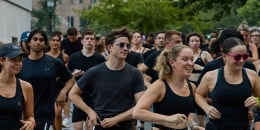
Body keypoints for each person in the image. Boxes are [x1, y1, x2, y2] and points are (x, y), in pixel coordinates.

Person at [69, 26, 146, 130]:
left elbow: (141, 106)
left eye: (127, 45)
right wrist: (90, 112)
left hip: (125, 126)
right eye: (121, 45)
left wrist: (117, 119)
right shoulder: (94, 72)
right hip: (101, 125)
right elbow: (73, 94)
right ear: (109, 47)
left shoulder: (135, 73)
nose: (125, 48)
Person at [133, 44, 204, 130]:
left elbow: (186, 116)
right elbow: (137, 112)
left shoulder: (192, 87)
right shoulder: (160, 85)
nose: (190, 63)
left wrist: (193, 125)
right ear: (172, 62)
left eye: (192, 59)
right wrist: (167, 118)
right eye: (185, 59)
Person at [195, 37, 260, 129]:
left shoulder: (252, 75)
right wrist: (206, 107)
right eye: (237, 57)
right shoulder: (211, 76)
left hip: (241, 126)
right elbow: (198, 94)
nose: (242, 60)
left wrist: (256, 101)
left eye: (245, 56)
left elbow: (259, 99)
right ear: (224, 56)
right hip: (216, 126)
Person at [17, 29, 76, 130]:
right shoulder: (21, 64)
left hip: (44, 114)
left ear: (45, 43)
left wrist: (63, 92)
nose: (38, 42)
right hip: (23, 113)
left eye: (41, 40)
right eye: (35, 39)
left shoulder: (54, 63)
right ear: (29, 43)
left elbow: (71, 79)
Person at [68, 29, 106, 130]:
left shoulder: (100, 59)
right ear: (82, 41)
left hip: (94, 97)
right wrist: (73, 75)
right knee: (77, 128)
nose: (89, 41)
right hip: (79, 96)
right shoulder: (74, 57)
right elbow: (67, 77)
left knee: (90, 126)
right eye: (87, 39)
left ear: (95, 41)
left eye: (92, 39)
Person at [0, 43, 35, 130]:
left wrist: (30, 123)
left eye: (20, 60)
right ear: (1, 61)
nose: (18, 63)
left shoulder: (26, 87)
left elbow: (30, 116)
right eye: (13, 60)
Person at [45, 32, 70, 130]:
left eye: (57, 40)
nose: (55, 42)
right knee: (52, 116)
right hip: (48, 88)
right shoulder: (44, 56)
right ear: (49, 42)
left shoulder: (65, 57)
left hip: (60, 88)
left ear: (60, 42)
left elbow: (67, 72)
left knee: (57, 114)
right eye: (53, 40)